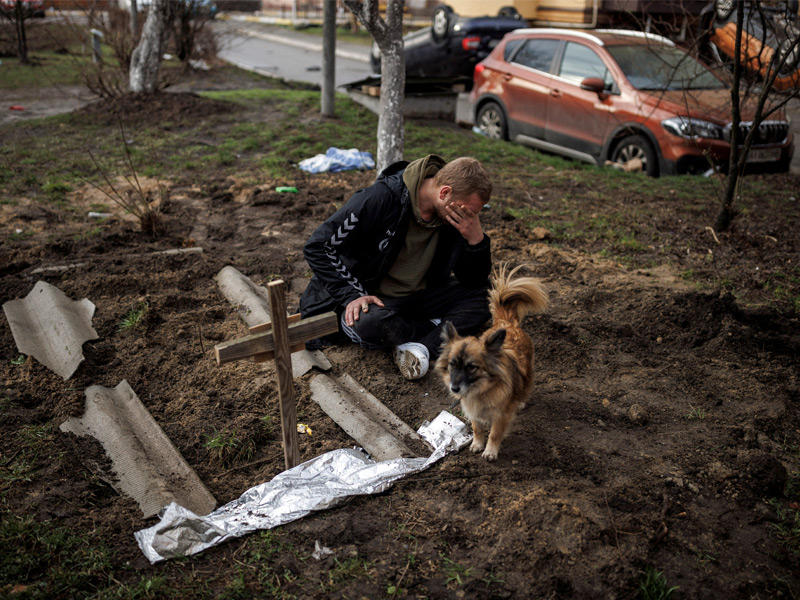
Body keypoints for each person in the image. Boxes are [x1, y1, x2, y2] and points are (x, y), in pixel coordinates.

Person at [299, 155, 492, 380]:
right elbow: (318, 246)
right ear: (444, 193)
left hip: (419, 297)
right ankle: (434, 330)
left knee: (489, 295)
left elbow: (473, 281)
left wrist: (476, 241)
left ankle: (420, 348)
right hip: (374, 300)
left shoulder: (454, 217)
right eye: (469, 211)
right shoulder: (381, 199)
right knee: (369, 323)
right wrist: (352, 295)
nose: (471, 217)